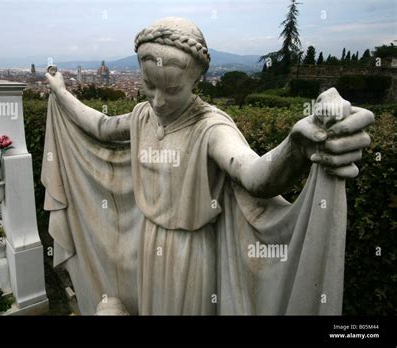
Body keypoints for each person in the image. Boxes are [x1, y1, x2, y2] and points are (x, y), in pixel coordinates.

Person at [43, 17, 373, 315]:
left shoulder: (211, 128)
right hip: (147, 243)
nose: (158, 100)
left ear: (195, 80)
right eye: (149, 84)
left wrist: (296, 146)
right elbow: (100, 125)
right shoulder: (142, 116)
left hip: (188, 258)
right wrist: (60, 91)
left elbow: (255, 176)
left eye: (171, 89)